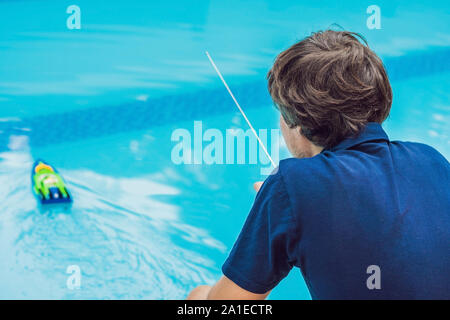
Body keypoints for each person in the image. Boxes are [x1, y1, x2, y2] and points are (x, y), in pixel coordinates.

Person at [187, 30, 450, 300]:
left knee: (199, 298)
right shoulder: (433, 160)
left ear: (295, 121)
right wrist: (287, 207)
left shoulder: (291, 183)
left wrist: (280, 203)